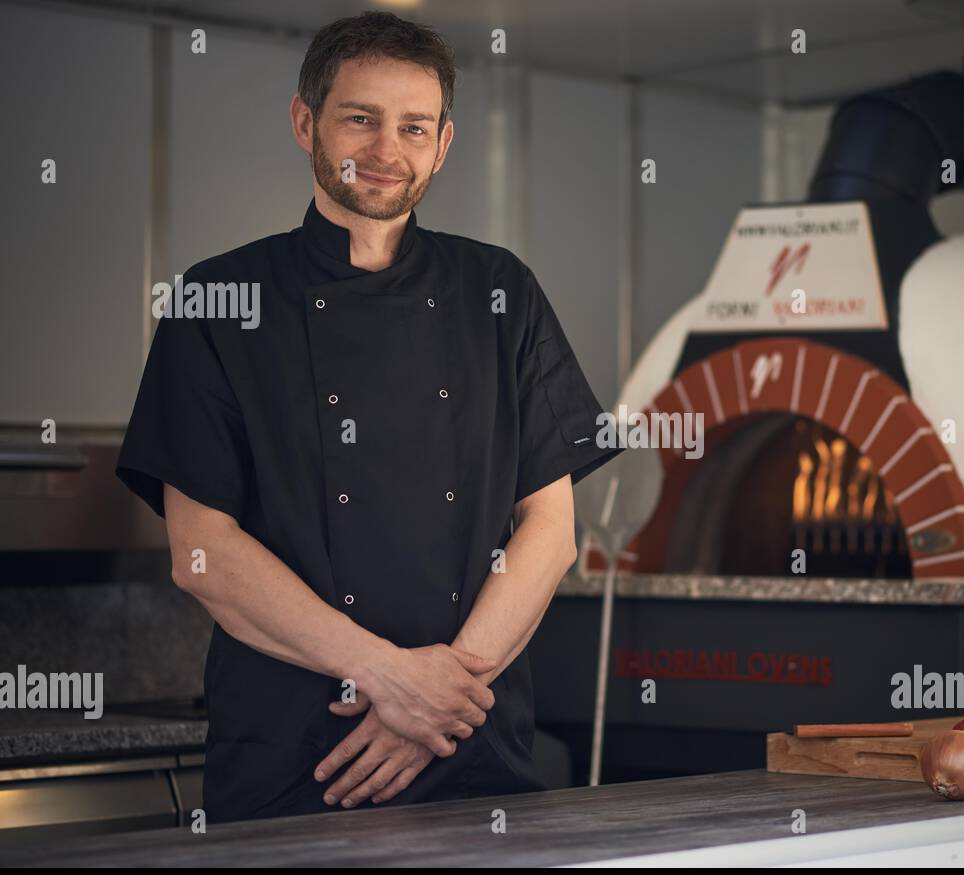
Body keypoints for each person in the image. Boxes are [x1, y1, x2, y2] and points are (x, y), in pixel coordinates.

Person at [117, 12, 619, 824]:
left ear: (444, 144)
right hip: (297, 767)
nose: (389, 150)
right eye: (361, 118)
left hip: (470, 760)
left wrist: (437, 702)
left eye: (413, 126)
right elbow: (201, 552)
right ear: (305, 122)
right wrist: (391, 679)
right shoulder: (216, 303)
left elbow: (551, 531)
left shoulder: (503, 293)